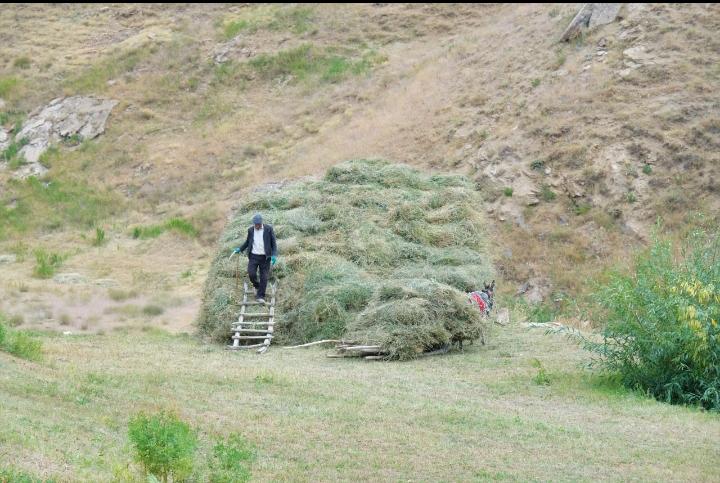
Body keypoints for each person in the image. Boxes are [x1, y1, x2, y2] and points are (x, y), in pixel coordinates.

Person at [233, 213, 278, 303]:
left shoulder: (268, 229)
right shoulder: (250, 230)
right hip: (253, 256)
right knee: (251, 273)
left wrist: (274, 255)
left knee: (264, 277)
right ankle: (257, 285)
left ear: (261, 223)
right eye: (255, 224)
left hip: (265, 258)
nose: (257, 226)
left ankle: (260, 296)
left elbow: (274, 244)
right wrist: (240, 249)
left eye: (258, 224)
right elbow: (247, 242)